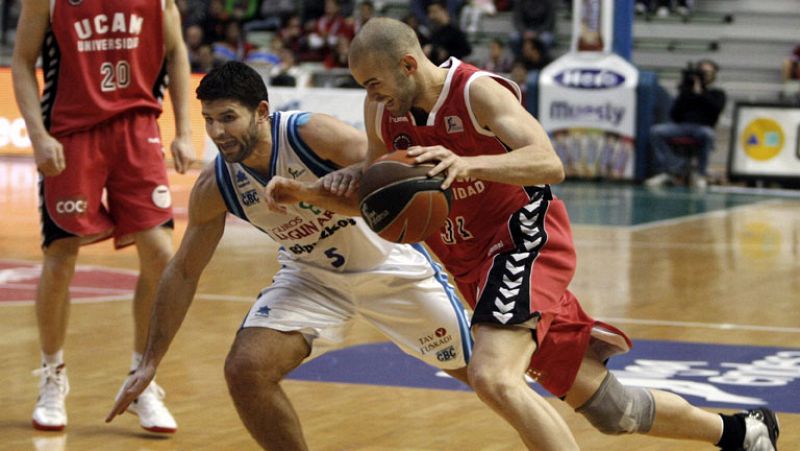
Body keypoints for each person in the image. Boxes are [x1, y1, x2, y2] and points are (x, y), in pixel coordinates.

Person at [268, 18, 780, 451]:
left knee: (492, 376)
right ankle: (741, 433)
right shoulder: (384, 111)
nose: (368, 94)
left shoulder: (476, 91)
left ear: (407, 65)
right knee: (610, 409)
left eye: (372, 82)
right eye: (362, 86)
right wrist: (307, 192)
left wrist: (467, 164)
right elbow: (375, 194)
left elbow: (549, 162)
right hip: (471, 264)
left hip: (522, 240)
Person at [106, 61, 473, 450]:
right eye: (209, 120)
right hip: (311, 278)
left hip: (390, 267)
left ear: (262, 112)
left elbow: (383, 168)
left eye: (228, 118)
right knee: (246, 370)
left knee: (488, 378)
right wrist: (149, 362)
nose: (216, 132)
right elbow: (183, 272)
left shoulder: (310, 133)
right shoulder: (216, 185)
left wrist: (324, 185)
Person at [12, 0, 194, 433]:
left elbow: (177, 52)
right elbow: (21, 61)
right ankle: (52, 375)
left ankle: (142, 378)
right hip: (72, 132)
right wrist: (38, 136)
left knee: (160, 255)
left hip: (137, 128)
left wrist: (185, 130)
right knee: (61, 255)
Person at [645, 59, 726, 189]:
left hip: (702, 128)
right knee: (656, 131)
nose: (705, 75)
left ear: (714, 75)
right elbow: (674, 114)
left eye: (708, 72)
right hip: (682, 126)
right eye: (702, 72)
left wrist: (701, 92)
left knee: (708, 134)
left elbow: (715, 110)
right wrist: (687, 92)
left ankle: (700, 174)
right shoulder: (686, 92)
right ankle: (672, 169)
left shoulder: (717, 94)